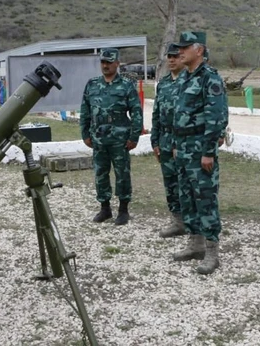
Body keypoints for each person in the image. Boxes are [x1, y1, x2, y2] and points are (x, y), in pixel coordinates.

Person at [170, 31, 228, 275]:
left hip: (200, 148)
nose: (180, 52)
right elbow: (179, 114)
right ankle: (195, 245)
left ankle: (212, 252)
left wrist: (208, 152)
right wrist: (175, 144)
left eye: (185, 48)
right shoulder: (185, 77)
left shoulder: (209, 78)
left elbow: (216, 118)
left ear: (199, 50)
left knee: (205, 199)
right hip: (183, 148)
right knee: (187, 198)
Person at [80, 48, 143, 225]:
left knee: (122, 173)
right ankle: (105, 208)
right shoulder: (92, 84)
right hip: (98, 138)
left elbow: (136, 112)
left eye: (109, 62)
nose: (105, 65)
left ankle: (123, 210)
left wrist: (134, 136)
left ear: (117, 63)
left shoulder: (126, 85)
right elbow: (85, 110)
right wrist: (85, 133)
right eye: (103, 62)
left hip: (120, 139)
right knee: (100, 173)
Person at [151, 43, 186, 238]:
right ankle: (178, 221)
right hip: (164, 140)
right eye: (169, 57)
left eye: (175, 56)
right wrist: (154, 141)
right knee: (170, 182)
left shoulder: (189, 82)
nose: (171, 60)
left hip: (184, 140)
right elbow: (156, 114)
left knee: (186, 182)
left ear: (183, 58)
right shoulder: (163, 84)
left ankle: (192, 222)